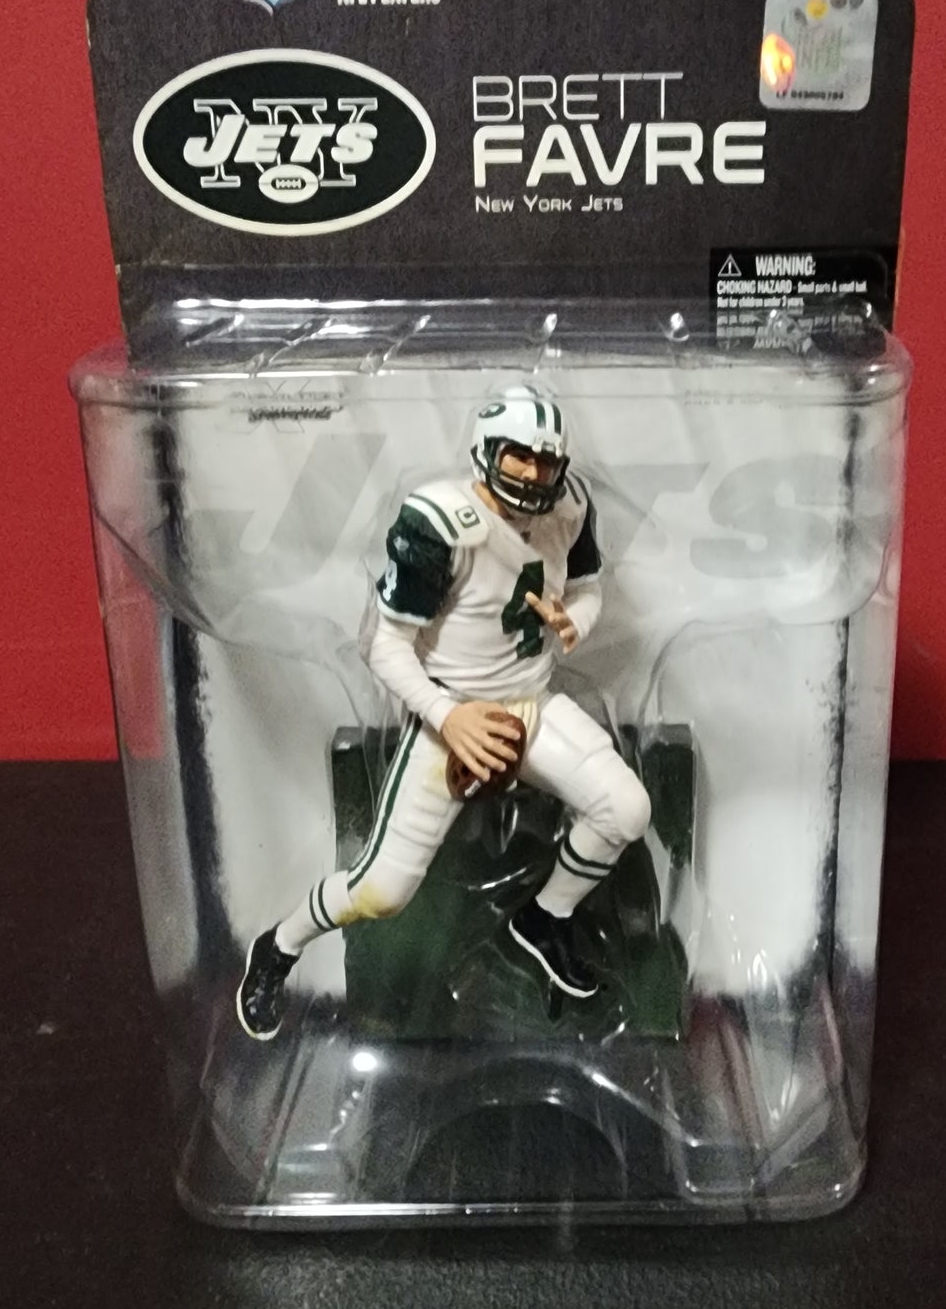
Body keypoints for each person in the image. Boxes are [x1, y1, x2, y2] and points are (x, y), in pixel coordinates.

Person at [235, 384, 652, 1040]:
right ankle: (279, 946)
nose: (534, 473)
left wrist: (577, 618)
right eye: (520, 456)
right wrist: (447, 715)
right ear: (487, 451)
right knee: (381, 891)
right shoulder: (440, 521)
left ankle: (544, 919)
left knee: (626, 808)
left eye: (546, 461)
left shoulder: (570, 503)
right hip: (451, 715)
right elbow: (384, 643)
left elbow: (588, 586)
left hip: (532, 701)